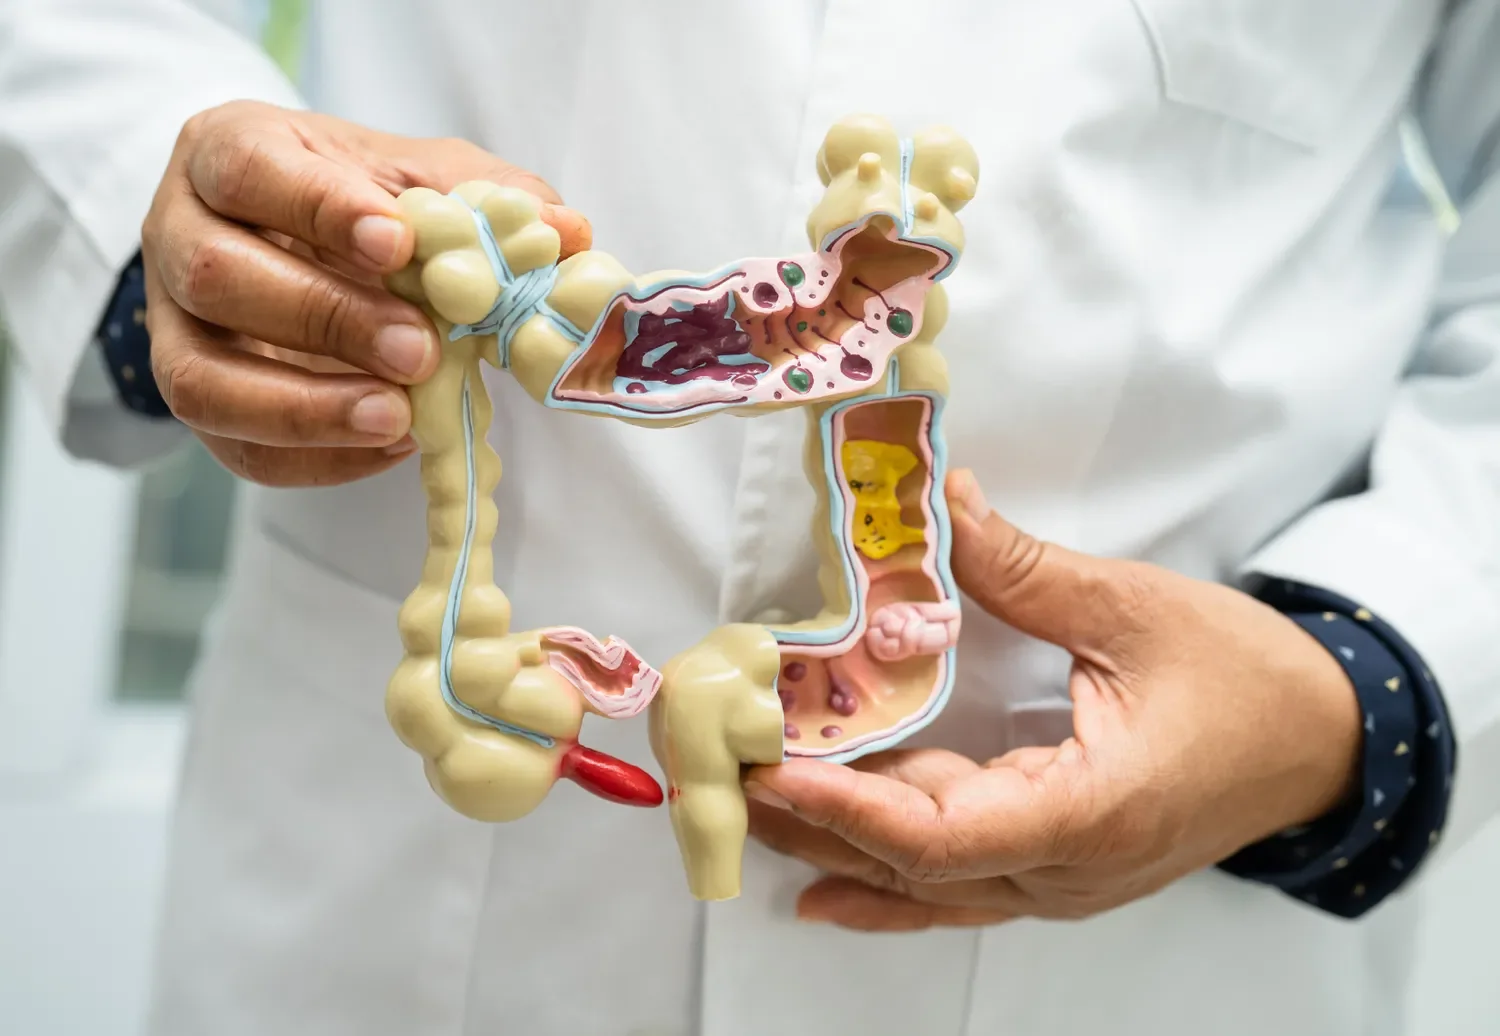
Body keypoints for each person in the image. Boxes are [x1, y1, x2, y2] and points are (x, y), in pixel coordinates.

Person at [2, 1, 1498, 1033]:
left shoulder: (849, 323)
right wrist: (171, 247)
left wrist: (1357, 685)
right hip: (386, 900)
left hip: (1148, 951)